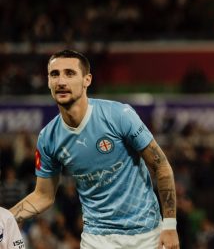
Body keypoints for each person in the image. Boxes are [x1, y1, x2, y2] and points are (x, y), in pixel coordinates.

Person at [10, 50, 179, 249]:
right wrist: (7, 216)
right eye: (54, 74)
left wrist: (169, 225)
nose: (61, 81)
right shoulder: (48, 138)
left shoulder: (119, 115)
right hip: (96, 239)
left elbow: (161, 166)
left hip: (147, 235)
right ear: (48, 82)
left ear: (86, 80)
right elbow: (43, 195)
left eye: (70, 73)